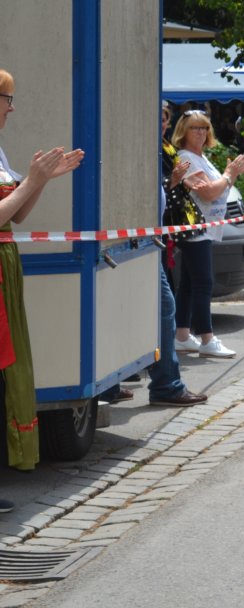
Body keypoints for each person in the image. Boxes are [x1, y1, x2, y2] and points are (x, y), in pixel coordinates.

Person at [0, 68, 85, 480]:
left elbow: (17, 214)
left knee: (9, 370)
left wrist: (41, 181)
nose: (12, 108)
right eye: (7, 99)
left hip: (5, 266)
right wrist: (29, 180)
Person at [171, 109, 244, 359]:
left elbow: (219, 189)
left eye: (204, 128)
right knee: (203, 282)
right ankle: (207, 338)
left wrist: (230, 175)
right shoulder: (185, 158)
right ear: (183, 132)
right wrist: (229, 175)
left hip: (207, 229)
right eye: (194, 128)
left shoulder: (202, 158)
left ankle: (182, 335)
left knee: (189, 283)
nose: (200, 132)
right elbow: (209, 192)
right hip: (195, 229)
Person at [154, 105, 209, 408]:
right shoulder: (155, 149)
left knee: (173, 297)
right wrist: (174, 181)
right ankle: (167, 384)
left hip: (163, 234)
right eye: (195, 128)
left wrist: (179, 182)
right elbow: (157, 188)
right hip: (151, 235)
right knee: (166, 306)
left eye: (165, 119)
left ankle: (163, 380)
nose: (162, 124)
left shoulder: (165, 148)